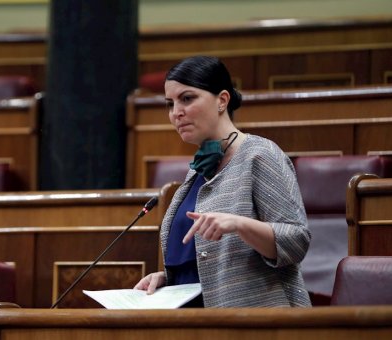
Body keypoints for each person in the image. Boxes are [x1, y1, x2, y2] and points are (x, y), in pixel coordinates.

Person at [133, 56, 312, 307]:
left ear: (222, 100)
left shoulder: (260, 155)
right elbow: (207, 259)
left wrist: (239, 224)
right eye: (170, 104)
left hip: (258, 323)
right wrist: (169, 280)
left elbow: (296, 240)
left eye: (187, 98)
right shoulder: (198, 170)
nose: (176, 113)